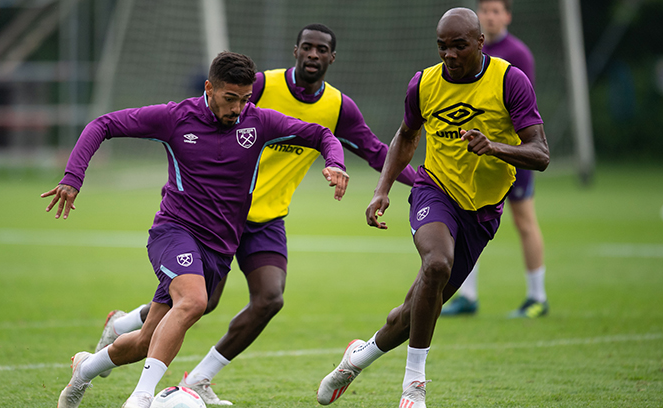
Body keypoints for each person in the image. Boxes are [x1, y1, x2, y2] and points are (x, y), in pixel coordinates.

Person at [92, 23, 417, 405]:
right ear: (295, 51)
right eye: (307, 48)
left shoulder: (339, 107)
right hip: (219, 215)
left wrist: (421, 182)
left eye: (321, 50)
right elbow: (207, 116)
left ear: (332, 57)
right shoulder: (259, 87)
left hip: (267, 219)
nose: (313, 55)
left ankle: (198, 378)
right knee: (199, 302)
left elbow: (376, 151)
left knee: (269, 298)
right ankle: (125, 326)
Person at [43, 51, 350, 408]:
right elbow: (103, 124)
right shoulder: (175, 118)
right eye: (229, 98)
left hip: (219, 249)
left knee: (146, 340)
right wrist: (73, 176)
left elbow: (321, 134)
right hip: (174, 231)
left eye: (245, 99)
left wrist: (335, 162)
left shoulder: (259, 123)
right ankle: (141, 398)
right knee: (195, 301)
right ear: (209, 88)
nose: (237, 108)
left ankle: (84, 369)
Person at [316, 8, 549, 407]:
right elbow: (406, 135)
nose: (450, 55)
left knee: (409, 315)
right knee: (437, 263)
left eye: (459, 46)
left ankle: (357, 358)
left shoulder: (510, 81)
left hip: (483, 209)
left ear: (479, 43)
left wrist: (495, 147)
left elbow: (540, 153)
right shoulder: (423, 83)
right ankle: (414, 387)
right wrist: (382, 189)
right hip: (434, 189)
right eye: (443, 47)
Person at [441, 0, 548, 318]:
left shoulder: (517, 55)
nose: (490, 16)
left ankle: (537, 297)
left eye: (496, 10)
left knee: (524, 221)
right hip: (472, 158)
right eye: (485, 10)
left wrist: (505, 148)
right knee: (465, 221)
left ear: (508, 16)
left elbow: (526, 113)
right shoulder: (463, 53)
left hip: (510, 155)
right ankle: (467, 296)